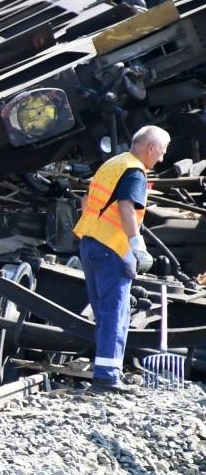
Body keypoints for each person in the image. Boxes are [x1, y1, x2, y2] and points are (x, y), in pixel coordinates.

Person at [73, 125, 170, 390]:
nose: (161, 158)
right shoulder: (135, 171)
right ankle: (107, 377)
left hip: (90, 243)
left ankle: (104, 369)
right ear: (151, 148)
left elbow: (85, 199)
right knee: (116, 313)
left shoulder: (112, 163)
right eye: (162, 151)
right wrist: (138, 246)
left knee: (104, 312)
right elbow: (126, 208)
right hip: (111, 248)